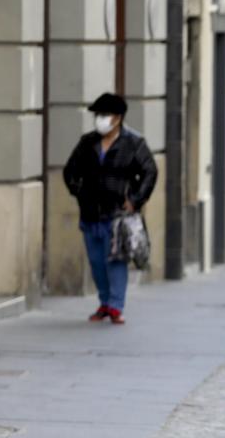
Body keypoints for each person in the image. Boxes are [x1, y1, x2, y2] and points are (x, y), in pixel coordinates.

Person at [62, 92, 157, 325]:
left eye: (105, 115)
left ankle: (116, 306)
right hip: (90, 212)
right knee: (96, 262)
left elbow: (149, 171)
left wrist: (135, 199)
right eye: (98, 115)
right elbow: (70, 170)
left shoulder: (134, 143)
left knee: (115, 260)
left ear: (118, 118)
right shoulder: (88, 143)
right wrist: (79, 191)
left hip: (116, 214)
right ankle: (104, 302)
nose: (100, 119)